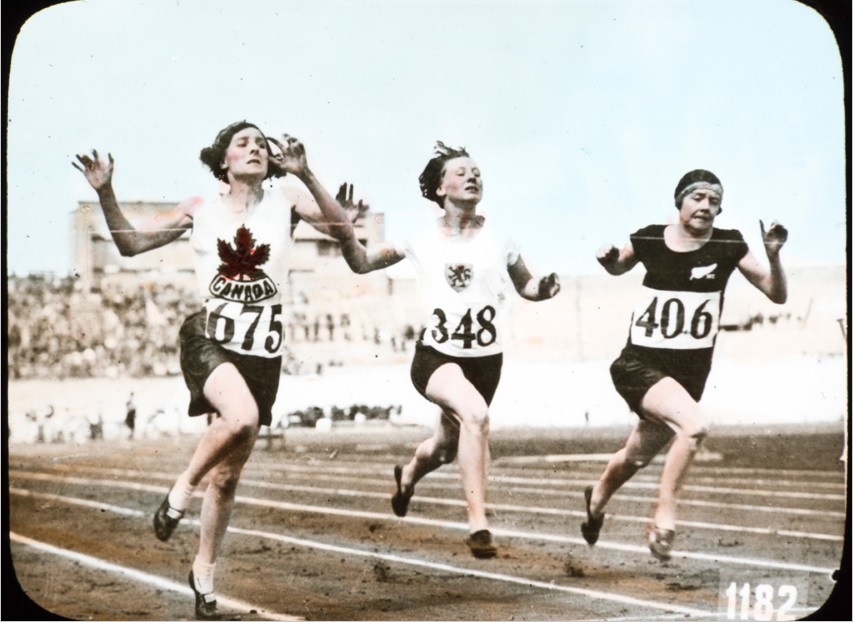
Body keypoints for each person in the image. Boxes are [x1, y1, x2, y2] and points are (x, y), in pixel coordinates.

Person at [73, 121, 358, 619]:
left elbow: (342, 233)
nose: (254, 149)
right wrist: (107, 193)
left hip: (261, 353)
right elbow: (131, 245)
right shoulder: (199, 207)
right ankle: (180, 492)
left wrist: (308, 174)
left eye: (261, 144)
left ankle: (203, 573)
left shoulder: (286, 199)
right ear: (222, 159)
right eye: (242, 143)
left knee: (227, 478)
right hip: (209, 337)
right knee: (242, 418)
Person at [338, 141, 561, 558]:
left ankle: (407, 476)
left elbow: (525, 285)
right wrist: (346, 230)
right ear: (440, 188)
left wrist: (543, 289)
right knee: (475, 416)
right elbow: (363, 263)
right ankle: (478, 524)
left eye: (476, 171)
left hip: (485, 361)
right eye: (460, 172)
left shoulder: (499, 235)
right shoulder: (419, 237)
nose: (472, 176)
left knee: (443, 446)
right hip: (437, 356)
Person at [582, 169, 788, 561]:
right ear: (680, 202)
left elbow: (776, 294)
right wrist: (607, 257)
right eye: (697, 198)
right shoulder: (649, 237)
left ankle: (595, 502)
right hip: (638, 364)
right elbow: (618, 266)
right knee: (694, 427)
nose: (705, 207)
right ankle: (664, 514)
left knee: (636, 456)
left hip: (688, 376)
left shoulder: (729, 244)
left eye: (714, 201)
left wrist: (774, 257)